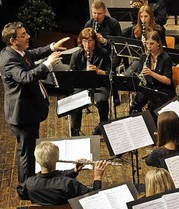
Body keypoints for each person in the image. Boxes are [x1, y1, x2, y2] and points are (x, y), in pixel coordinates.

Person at [1, 22, 68, 184]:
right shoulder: (9, 59)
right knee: (26, 153)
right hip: (22, 115)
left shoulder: (16, 52)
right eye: (23, 35)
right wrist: (48, 64)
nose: (28, 36)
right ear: (13, 41)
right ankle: (25, 187)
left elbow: (32, 54)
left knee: (28, 149)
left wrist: (52, 47)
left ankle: (29, 183)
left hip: (28, 111)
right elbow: (26, 77)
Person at [17, 142, 108, 205]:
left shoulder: (30, 183)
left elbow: (23, 194)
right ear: (57, 159)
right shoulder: (68, 184)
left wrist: (74, 170)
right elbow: (94, 196)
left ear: (37, 160)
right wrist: (98, 176)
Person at [69, 27, 112, 136]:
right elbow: (72, 76)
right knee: (76, 102)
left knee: (102, 100)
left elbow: (109, 73)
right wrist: (85, 72)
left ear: (95, 41)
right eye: (84, 41)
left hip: (99, 85)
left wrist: (97, 71)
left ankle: (103, 126)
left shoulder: (103, 53)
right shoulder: (76, 56)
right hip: (82, 86)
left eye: (90, 41)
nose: (87, 44)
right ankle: (75, 130)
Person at [128, 30, 175, 115]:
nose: (149, 47)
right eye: (147, 43)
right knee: (136, 104)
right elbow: (139, 74)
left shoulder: (165, 58)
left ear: (158, 44)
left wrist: (152, 73)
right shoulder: (144, 56)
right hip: (149, 87)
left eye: (152, 44)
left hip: (163, 89)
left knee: (152, 105)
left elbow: (168, 81)